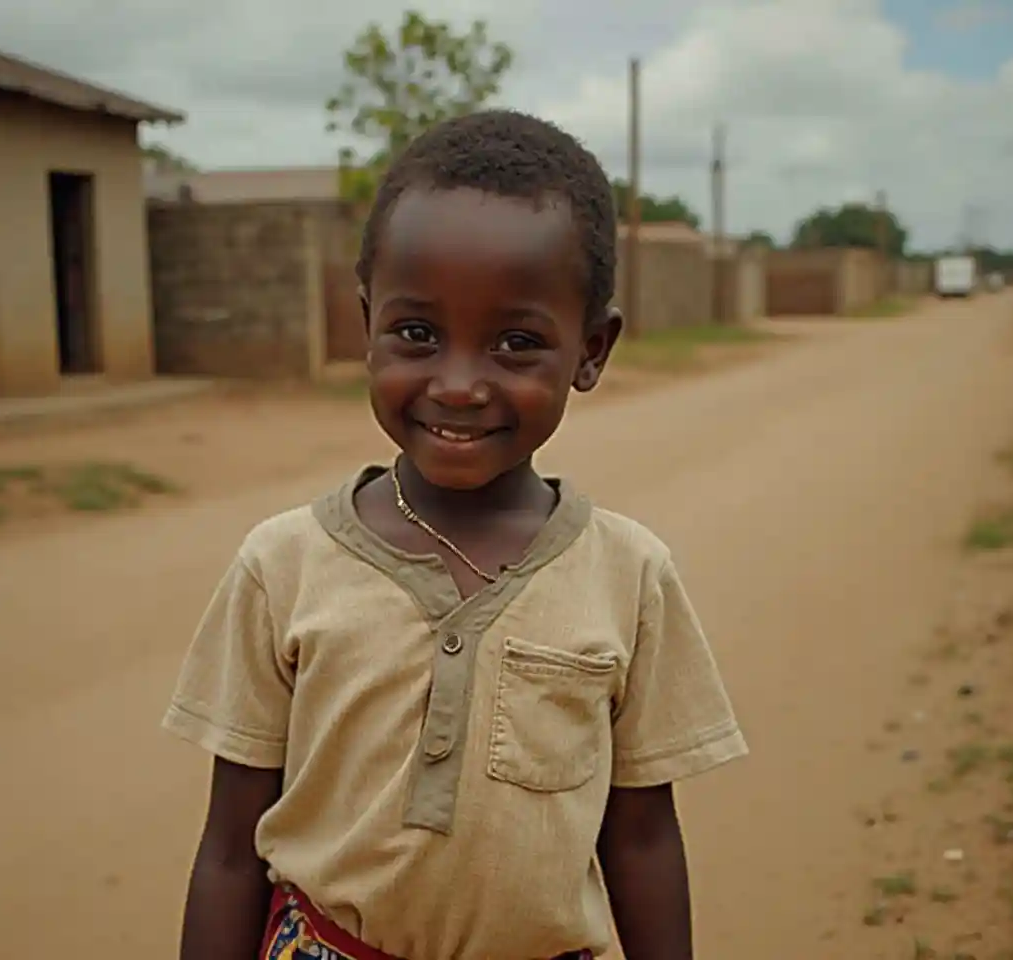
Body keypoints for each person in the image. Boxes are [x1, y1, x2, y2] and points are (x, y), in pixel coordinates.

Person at [163, 108, 748, 960]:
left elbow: (644, 838)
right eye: (417, 334)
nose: (461, 385)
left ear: (591, 350)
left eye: (516, 342)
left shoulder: (629, 575)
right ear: (367, 324)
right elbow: (226, 851)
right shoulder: (282, 565)